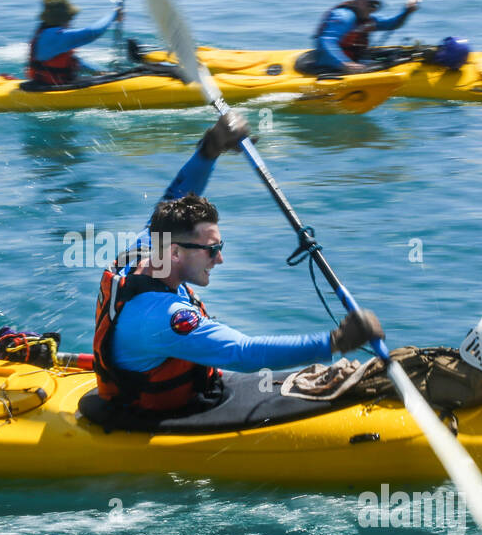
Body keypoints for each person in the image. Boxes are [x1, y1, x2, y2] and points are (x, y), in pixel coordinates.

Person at [92, 112, 384, 414]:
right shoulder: (162, 317)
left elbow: (174, 197)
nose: (220, 258)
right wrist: (335, 341)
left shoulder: (145, 249)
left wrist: (210, 148)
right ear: (176, 252)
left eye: (220, 246)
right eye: (211, 250)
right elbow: (243, 353)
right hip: (152, 412)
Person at [303, 0, 420, 75]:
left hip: (354, 61)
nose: (372, 9)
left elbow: (392, 24)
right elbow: (326, 40)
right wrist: (344, 63)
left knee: (396, 54)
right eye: (370, 3)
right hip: (330, 65)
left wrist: (406, 12)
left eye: (376, 5)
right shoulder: (344, 17)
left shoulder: (368, 19)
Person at [27, 0, 122, 85]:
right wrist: (114, 14)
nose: (71, 22)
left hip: (50, 83)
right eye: (71, 18)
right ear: (65, 18)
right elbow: (92, 32)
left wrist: (102, 72)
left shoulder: (46, 34)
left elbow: (76, 63)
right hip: (50, 90)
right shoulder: (55, 37)